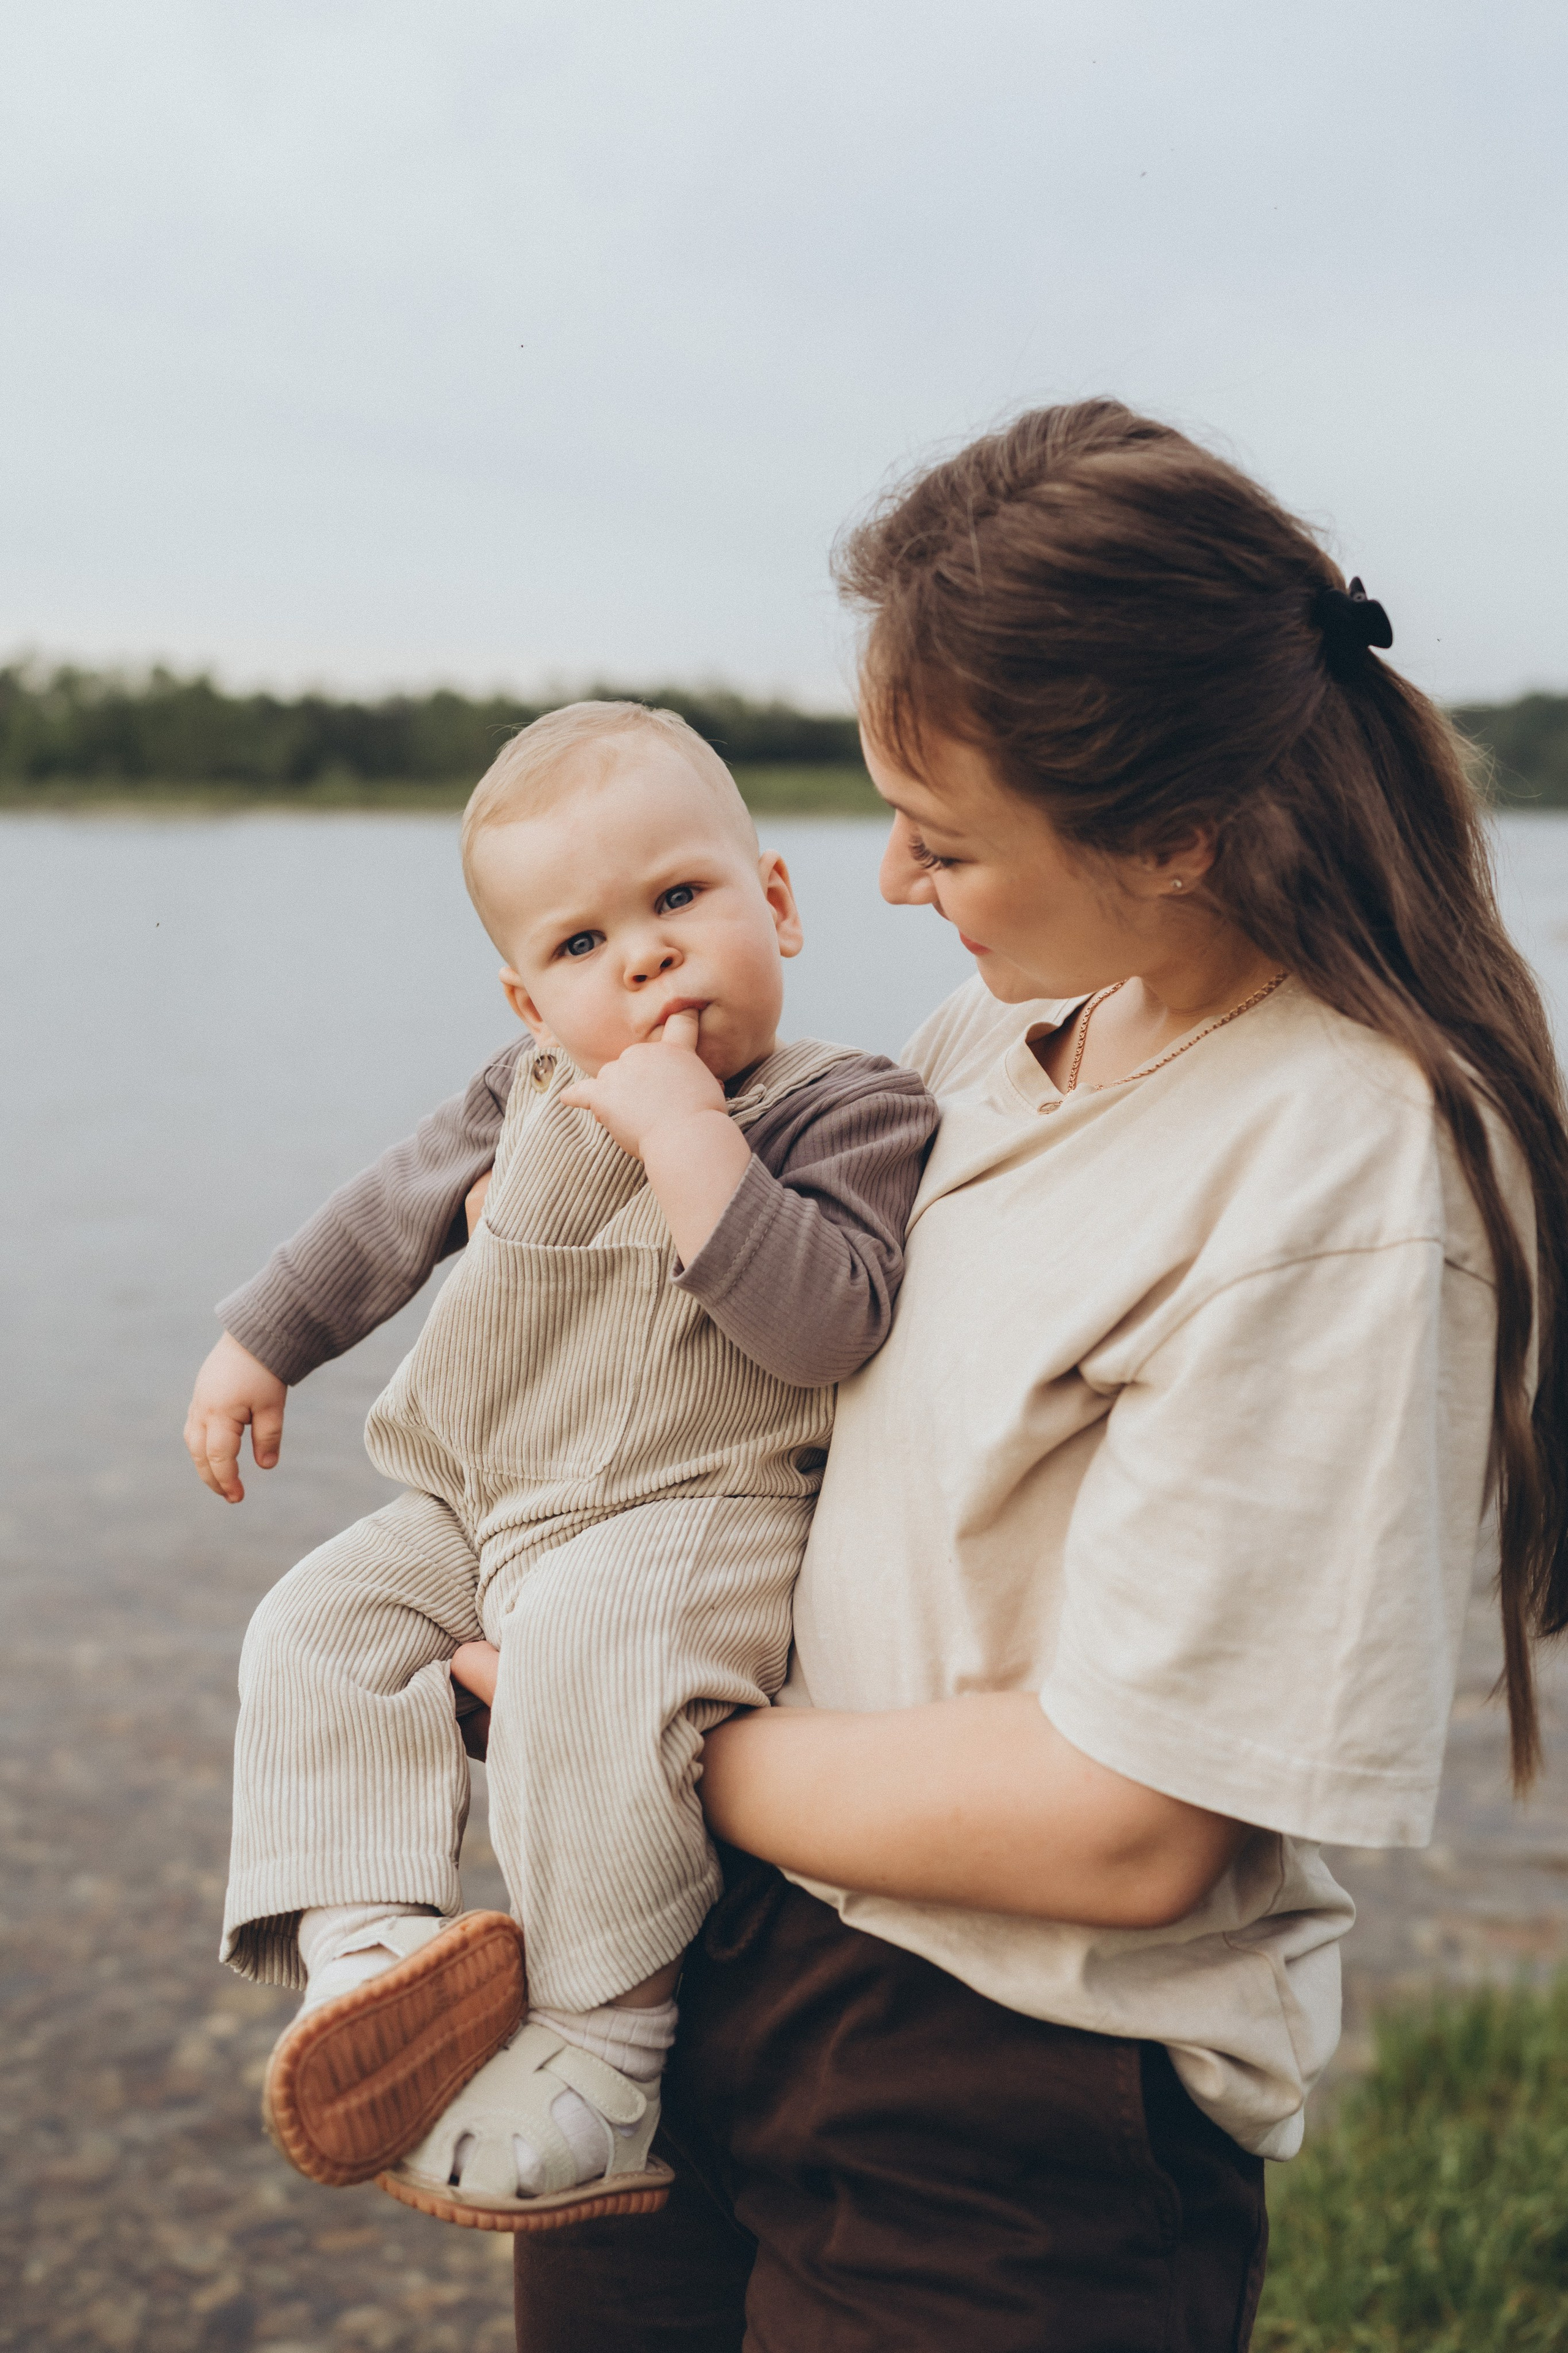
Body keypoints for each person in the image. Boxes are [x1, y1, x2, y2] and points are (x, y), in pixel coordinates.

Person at [508, 403, 1568, 2352]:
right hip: (720, 1964)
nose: (897, 879)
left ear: (1175, 833)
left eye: (952, 834)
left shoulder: (1344, 1164)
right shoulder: (1000, 1039)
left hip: (1009, 2101)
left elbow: (1132, 1822)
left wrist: (636, 1741)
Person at [183, 700, 937, 2229]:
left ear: (773, 902)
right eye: (583, 947)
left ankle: (605, 2043)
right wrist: (262, 1337)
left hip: (693, 1514)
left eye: (677, 901)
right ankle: (375, 1943)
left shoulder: (846, 1110)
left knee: (589, 1657)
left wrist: (687, 1141)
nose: (644, 960)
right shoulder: (518, 1096)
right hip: (486, 1499)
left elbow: (826, 1326)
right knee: (315, 1627)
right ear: (529, 1000)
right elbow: (380, 1219)